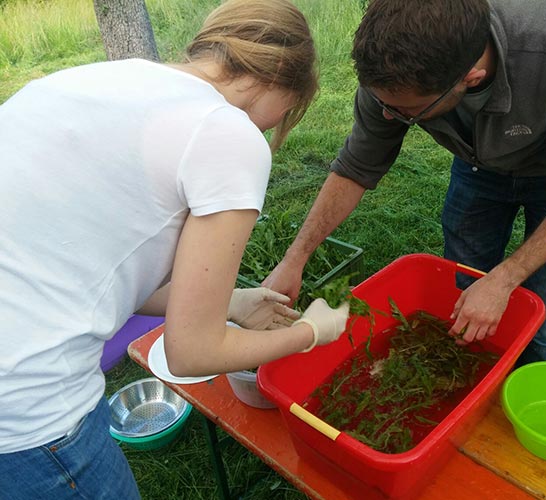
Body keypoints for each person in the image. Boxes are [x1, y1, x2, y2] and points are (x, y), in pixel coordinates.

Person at [0, 0, 349, 498]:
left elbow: (94, 275)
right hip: (25, 409)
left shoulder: (87, 80)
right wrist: (313, 333)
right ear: (281, 84)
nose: (274, 127)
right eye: (288, 112)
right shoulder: (227, 132)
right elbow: (192, 353)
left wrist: (229, 303)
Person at [263, 0, 546, 365]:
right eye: (382, 102)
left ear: (472, 77)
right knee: (465, 294)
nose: (389, 115)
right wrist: (295, 259)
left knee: (545, 319)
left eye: (407, 112)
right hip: (476, 167)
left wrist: (505, 280)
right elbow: (357, 166)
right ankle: (472, 386)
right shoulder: (392, 70)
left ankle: (531, 390)